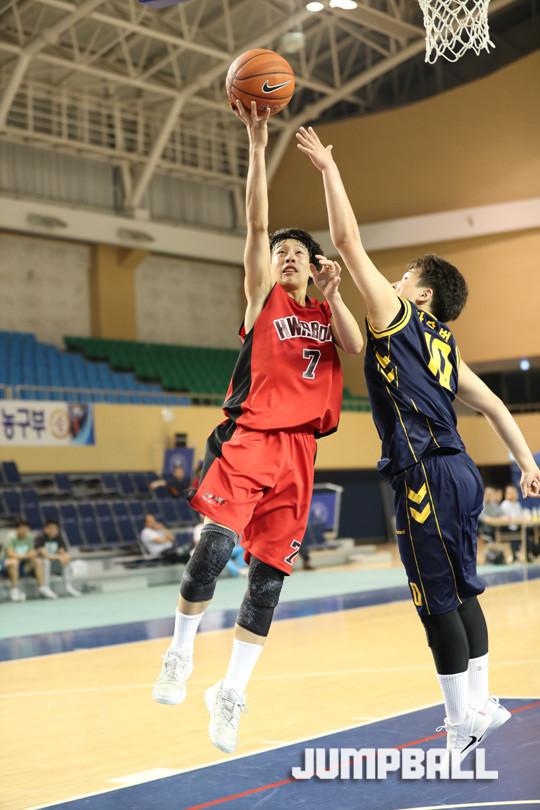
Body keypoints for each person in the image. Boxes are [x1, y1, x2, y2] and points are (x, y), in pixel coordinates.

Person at [296, 125, 540, 762]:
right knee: (463, 590)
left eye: (403, 276)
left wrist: (328, 170)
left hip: (425, 473)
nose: (395, 281)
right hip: (462, 472)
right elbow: (493, 405)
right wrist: (526, 462)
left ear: (422, 294)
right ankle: (482, 703)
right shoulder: (445, 346)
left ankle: (461, 721)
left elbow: (347, 241)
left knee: (434, 601)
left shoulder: (399, 315)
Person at [151, 100, 363, 754]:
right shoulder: (261, 299)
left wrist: (335, 295)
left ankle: (231, 693)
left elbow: (356, 345)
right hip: (249, 441)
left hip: (300, 456)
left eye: (298, 252)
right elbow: (255, 223)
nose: (287, 256)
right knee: (214, 551)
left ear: (314, 265)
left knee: (268, 582)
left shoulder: (325, 313)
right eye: (281, 253)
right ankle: (179, 653)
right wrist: (257, 141)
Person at [2, 519, 56, 601]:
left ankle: (42, 587)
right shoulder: (11, 537)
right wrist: (27, 556)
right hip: (5, 566)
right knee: (14, 562)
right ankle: (14, 590)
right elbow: (10, 554)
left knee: (37, 561)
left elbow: (31, 552)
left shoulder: (28, 537)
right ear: (17, 529)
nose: (25, 531)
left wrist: (35, 553)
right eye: (23, 529)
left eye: (27, 529)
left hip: (22, 565)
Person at [34, 519, 81, 597]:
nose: (53, 531)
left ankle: (68, 586)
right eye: (50, 528)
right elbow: (45, 555)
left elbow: (62, 552)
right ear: (45, 529)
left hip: (54, 563)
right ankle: (46, 587)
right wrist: (59, 557)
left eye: (55, 529)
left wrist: (65, 557)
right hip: (41, 566)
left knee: (66, 559)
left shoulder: (59, 539)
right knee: (46, 561)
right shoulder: (40, 539)